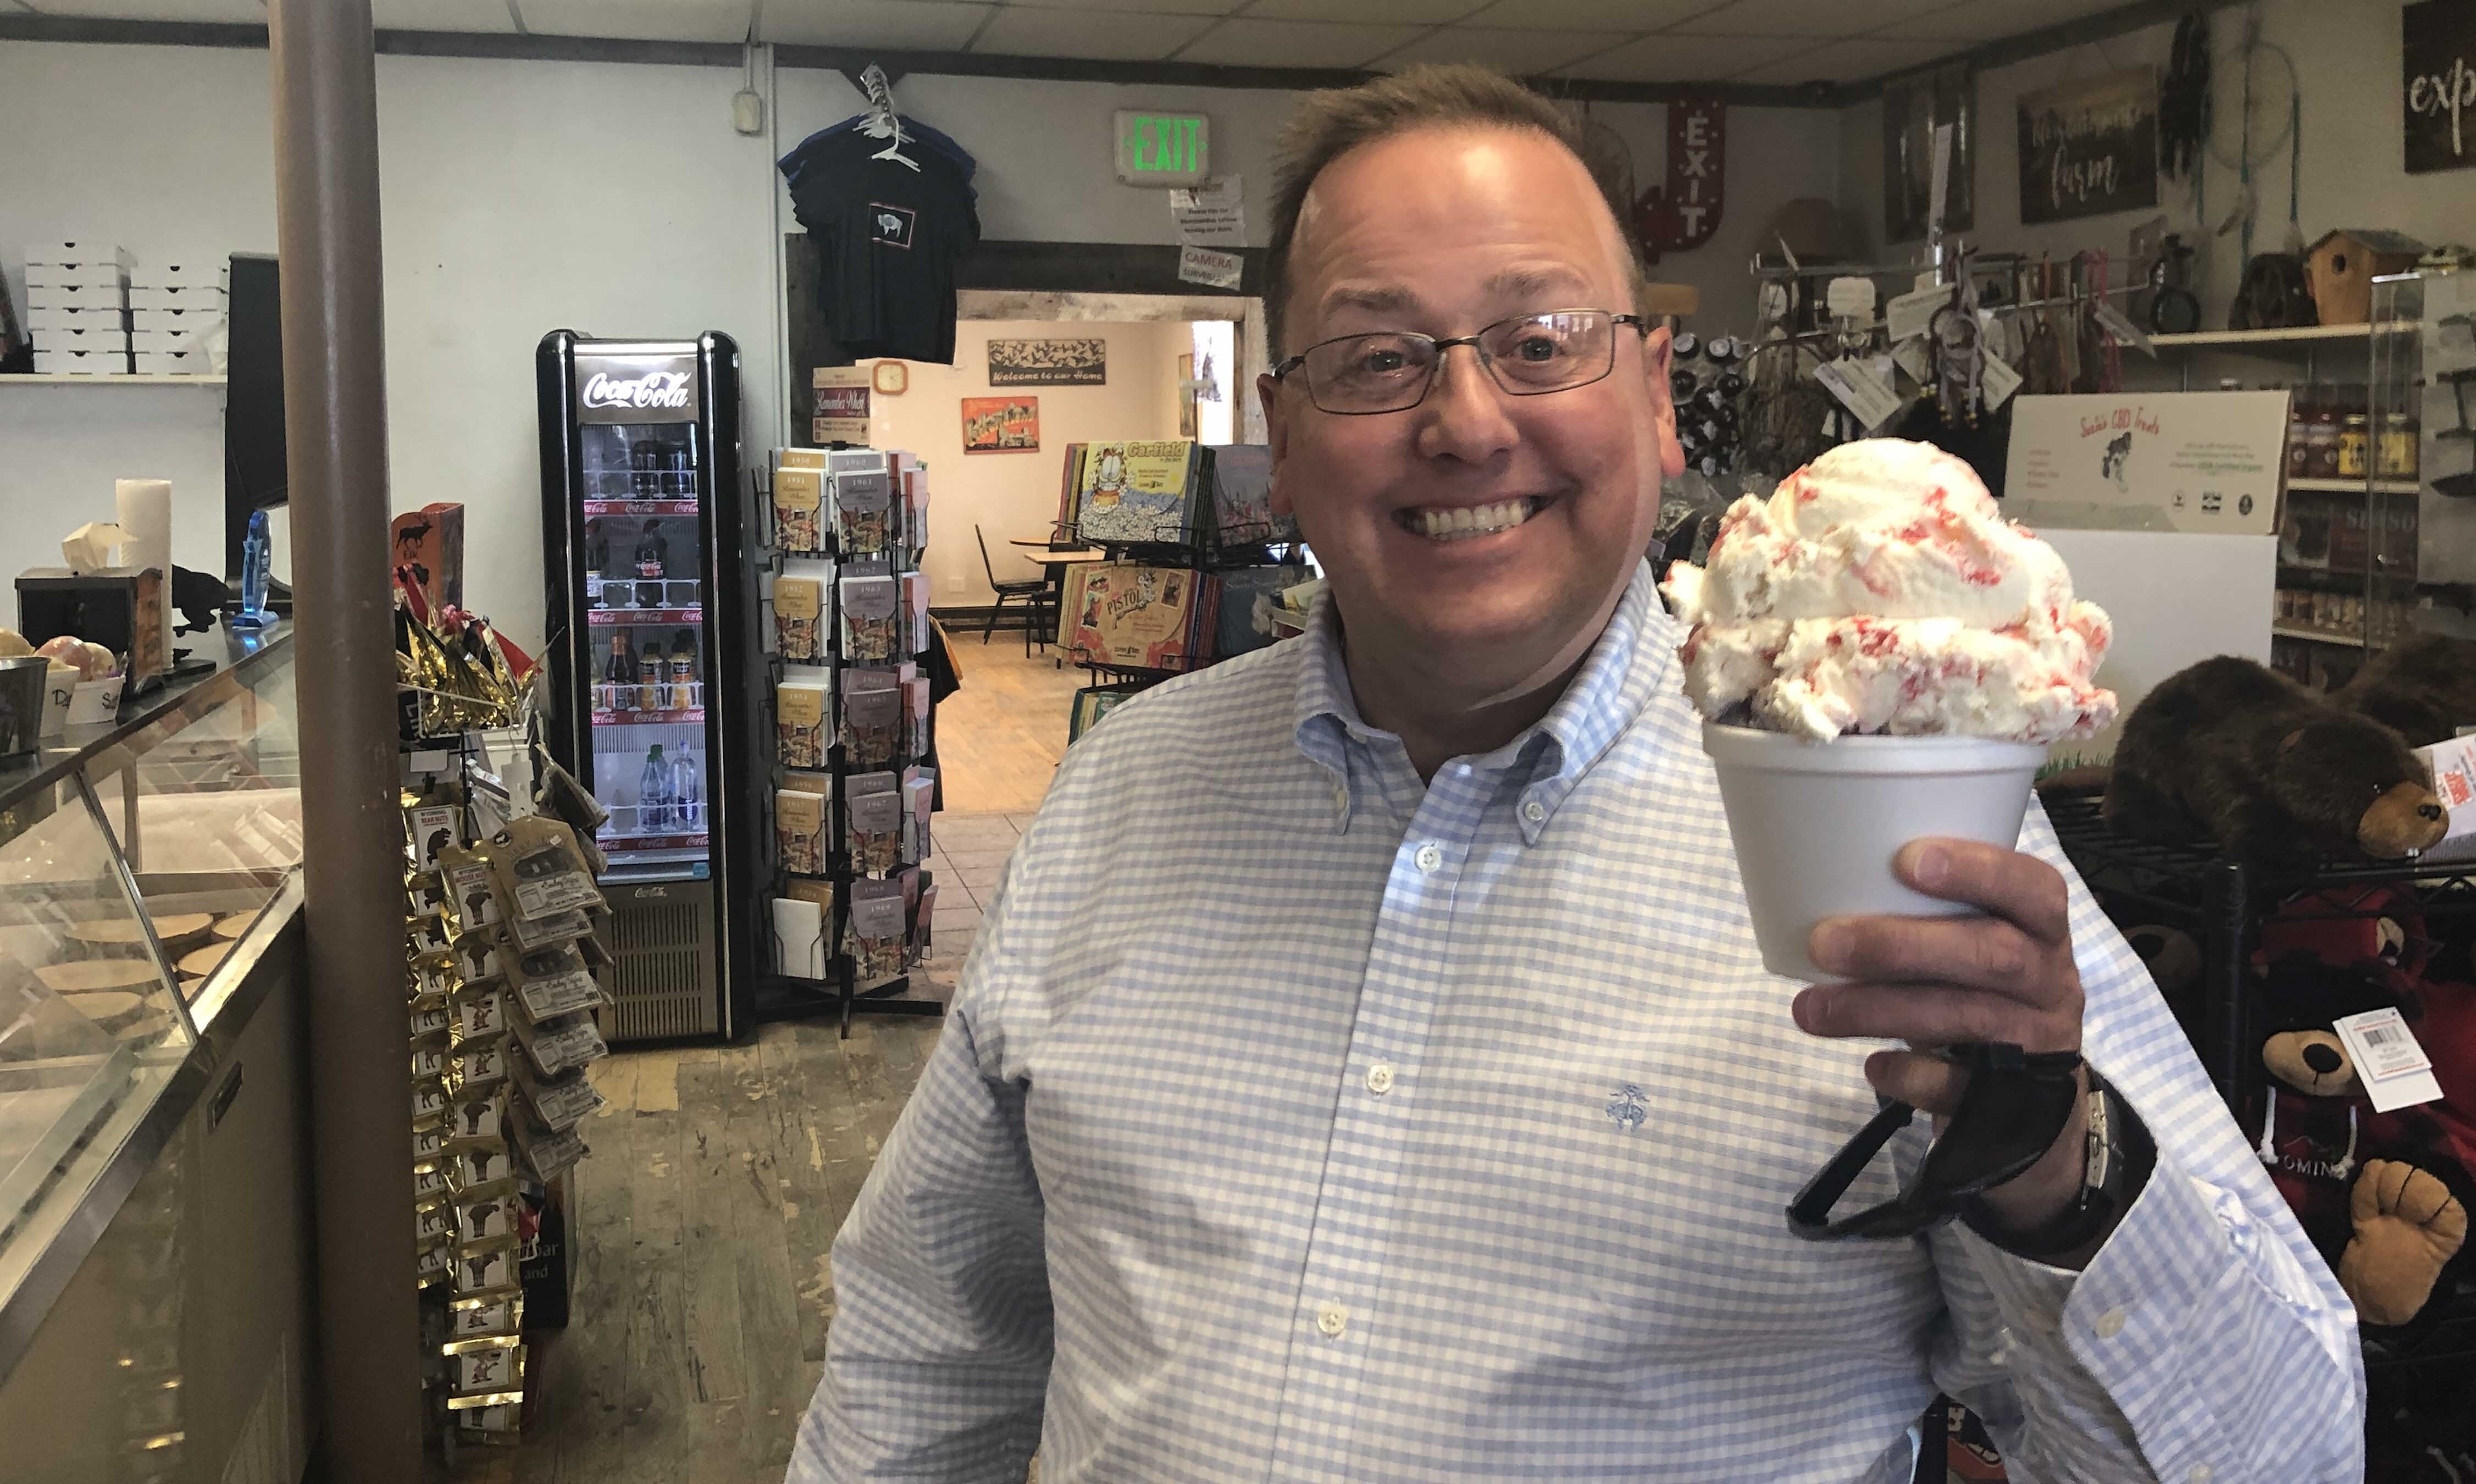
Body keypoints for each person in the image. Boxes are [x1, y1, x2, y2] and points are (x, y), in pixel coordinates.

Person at [790, 65, 2361, 1483]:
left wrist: (2062, 1175)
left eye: (1542, 341)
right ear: (1281, 432)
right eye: (1376, 357)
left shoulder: (1906, 843)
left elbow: (2286, 1449)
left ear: (1660, 397)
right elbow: (926, 1350)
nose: (1467, 421)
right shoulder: (1124, 794)